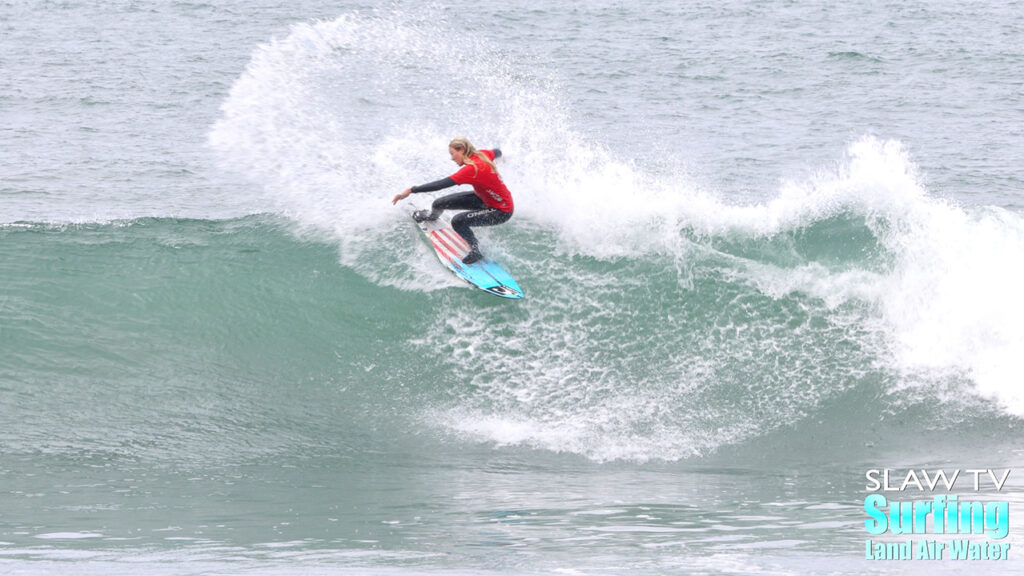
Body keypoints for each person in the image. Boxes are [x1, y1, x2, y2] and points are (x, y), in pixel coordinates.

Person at [392, 137, 513, 265]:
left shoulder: (472, 169)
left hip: (501, 210)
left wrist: (412, 190)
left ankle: (476, 249)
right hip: (483, 198)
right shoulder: (482, 154)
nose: (452, 158)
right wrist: (503, 157)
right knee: (439, 204)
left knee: (458, 221)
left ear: (462, 150)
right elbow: (496, 151)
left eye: (452, 153)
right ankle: (431, 216)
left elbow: (440, 184)